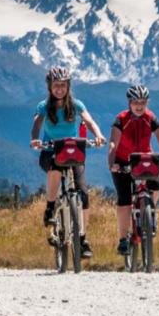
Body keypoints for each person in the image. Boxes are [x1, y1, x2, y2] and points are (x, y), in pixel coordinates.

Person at [29, 67, 106, 258]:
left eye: (63, 85)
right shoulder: (43, 107)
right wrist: (35, 140)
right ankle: (50, 205)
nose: (60, 89)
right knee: (54, 166)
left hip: (72, 151)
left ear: (68, 86)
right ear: (50, 87)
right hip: (50, 151)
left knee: (84, 195)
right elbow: (37, 125)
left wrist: (98, 135)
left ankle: (82, 238)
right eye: (56, 86)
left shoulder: (77, 105)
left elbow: (89, 121)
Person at [108, 84, 159, 257]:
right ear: (129, 103)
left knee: (156, 187)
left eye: (143, 102)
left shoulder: (151, 118)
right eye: (136, 102)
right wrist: (112, 164)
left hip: (144, 160)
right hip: (122, 161)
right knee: (124, 201)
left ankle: (149, 213)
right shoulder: (121, 119)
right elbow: (112, 144)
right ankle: (123, 239)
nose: (139, 106)